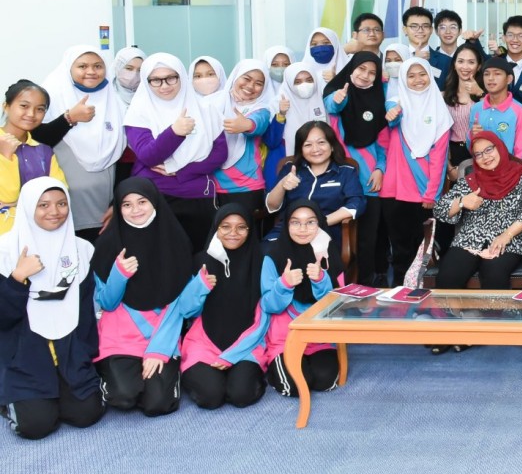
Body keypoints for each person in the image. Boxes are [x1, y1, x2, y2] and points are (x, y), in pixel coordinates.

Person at [91, 178, 210, 416]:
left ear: (155, 202)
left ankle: (156, 372)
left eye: (142, 202)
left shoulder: (176, 241)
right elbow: (107, 303)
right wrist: (119, 274)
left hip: (163, 332)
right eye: (127, 204)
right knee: (123, 396)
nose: (135, 210)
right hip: (121, 337)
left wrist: (158, 350)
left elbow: (183, 308)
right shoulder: (107, 244)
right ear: (118, 208)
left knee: (158, 404)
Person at [0, 178, 106, 439]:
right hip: (23, 356)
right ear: (28, 207)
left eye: (61, 204)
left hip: (69, 354)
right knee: (36, 426)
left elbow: (86, 313)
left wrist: (84, 355)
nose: (54, 212)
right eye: (43, 205)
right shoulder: (5, 251)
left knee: (86, 414)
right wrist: (17, 278)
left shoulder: (82, 249)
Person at [123, 54, 228, 253]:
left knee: (199, 256)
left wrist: (181, 171)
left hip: (198, 196)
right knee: (161, 257)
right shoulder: (138, 112)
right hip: (154, 197)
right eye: (156, 80)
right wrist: (174, 132)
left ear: (182, 76)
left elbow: (220, 153)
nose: (164, 85)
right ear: (146, 81)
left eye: (171, 78)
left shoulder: (205, 109)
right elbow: (148, 156)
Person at [179, 204, 270, 410]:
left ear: (250, 230)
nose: (233, 233)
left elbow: (264, 317)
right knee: (210, 396)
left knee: (241, 395)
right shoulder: (201, 261)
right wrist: (200, 286)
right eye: (225, 226)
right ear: (216, 228)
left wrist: (232, 355)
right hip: (204, 342)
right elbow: (185, 310)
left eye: (241, 227)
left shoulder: (261, 262)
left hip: (247, 344)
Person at [432, 130, 522, 300]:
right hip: (470, 239)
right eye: (478, 154)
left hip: (509, 239)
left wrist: (506, 235)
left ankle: (492, 317)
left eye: (489, 150)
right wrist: (462, 202)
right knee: (448, 276)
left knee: (494, 274)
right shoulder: (470, 180)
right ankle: (453, 316)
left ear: (500, 148)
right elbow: (439, 210)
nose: (485, 157)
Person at [41, 47, 124, 239]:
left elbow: (123, 157)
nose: (91, 71)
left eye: (98, 66)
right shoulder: (52, 96)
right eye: (82, 66)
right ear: (69, 68)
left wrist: (118, 201)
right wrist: (69, 118)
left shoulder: (115, 100)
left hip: (105, 207)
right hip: (60, 209)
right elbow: (39, 138)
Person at [262, 201, 343, 397]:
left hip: (319, 336)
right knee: (295, 387)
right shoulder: (272, 255)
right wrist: (284, 284)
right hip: (285, 338)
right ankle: (273, 367)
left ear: (319, 224)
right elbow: (268, 305)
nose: (303, 229)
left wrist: (321, 279)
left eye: (310, 222)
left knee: (325, 381)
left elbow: (338, 304)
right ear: (286, 224)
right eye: (295, 222)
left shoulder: (328, 253)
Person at [382, 58, 452, 283]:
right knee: (399, 248)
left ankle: (421, 292)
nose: (417, 80)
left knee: (423, 249)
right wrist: (393, 114)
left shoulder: (440, 111)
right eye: (410, 76)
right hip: (394, 190)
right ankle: (399, 292)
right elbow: (392, 116)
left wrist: (431, 193)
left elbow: (439, 159)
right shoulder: (396, 103)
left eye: (422, 74)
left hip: (423, 193)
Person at [323, 52, 390, 285]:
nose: (365, 75)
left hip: (370, 179)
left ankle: (366, 284)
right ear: (351, 68)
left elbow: (383, 144)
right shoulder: (338, 93)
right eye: (361, 69)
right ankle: (339, 284)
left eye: (372, 72)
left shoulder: (379, 101)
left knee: (368, 239)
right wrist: (339, 97)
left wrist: (380, 168)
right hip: (340, 176)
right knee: (339, 236)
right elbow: (332, 106)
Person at [265, 121, 363, 248]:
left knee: (309, 256)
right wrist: (282, 185)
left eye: (321, 142)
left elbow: (356, 204)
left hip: (325, 231)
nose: (315, 149)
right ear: (301, 149)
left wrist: (318, 222)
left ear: (332, 145)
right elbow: (271, 206)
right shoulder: (290, 168)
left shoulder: (346, 171)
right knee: (266, 253)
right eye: (308, 145)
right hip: (287, 231)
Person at [0, 81, 68, 238]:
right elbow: (7, 196)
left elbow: (60, 193)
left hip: (38, 234)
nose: (31, 114)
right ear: (6, 107)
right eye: (24, 106)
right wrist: (6, 157)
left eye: (40, 109)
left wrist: (18, 203)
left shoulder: (43, 151)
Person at [213, 59, 278, 216]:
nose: (250, 86)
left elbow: (258, 123)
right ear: (236, 76)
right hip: (212, 184)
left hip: (246, 186)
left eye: (258, 83)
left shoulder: (262, 109)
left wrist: (246, 125)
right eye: (246, 79)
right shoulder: (215, 101)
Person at [268, 62, 326, 184]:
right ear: (289, 83)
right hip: (285, 161)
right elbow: (271, 141)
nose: (304, 85)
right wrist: (281, 114)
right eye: (297, 82)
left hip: (321, 162)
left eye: (309, 80)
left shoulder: (323, 100)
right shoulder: (276, 103)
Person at [472, 56, 522, 160]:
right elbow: (471, 147)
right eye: (486, 74)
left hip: (509, 169)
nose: (491, 78)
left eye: (497, 73)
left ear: (509, 79)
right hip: (481, 166)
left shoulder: (520, 111)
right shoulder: (476, 108)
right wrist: (472, 135)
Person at [442, 41, 486, 173]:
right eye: (460, 61)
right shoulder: (443, 96)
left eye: (471, 62)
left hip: (483, 152)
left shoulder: (486, 95)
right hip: (454, 154)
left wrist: (480, 93)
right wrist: (449, 167)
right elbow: (439, 134)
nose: (465, 67)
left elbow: (494, 117)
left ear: (478, 66)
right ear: (454, 65)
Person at [401, 7, 445, 80]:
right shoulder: (396, 59)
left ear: (431, 30)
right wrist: (414, 60)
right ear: (405, 30)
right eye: (414, 26)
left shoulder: (446, 61)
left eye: (425, 26)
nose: (420, 30)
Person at [430, 9, 472, 80]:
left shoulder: (469, 57)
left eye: (453, 27)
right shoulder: (430, 59)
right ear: (436, 31)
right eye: (442, 27)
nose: (448, 32)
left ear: (460, 31)